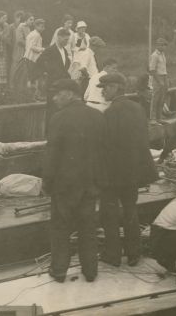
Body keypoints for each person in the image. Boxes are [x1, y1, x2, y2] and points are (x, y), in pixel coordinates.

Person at [42, 79, 106, 283]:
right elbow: (104, 152)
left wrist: (47, 182)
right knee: (88, 228)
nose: (54, 98)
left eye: (57, 93)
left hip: (65, 185)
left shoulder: (58, 118)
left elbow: (52, 154)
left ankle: (59, 270)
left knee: (60, 227)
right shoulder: (97, 116)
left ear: (70, 94)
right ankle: (91, 271)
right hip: (90, 183)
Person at [99, 72, 158, 267]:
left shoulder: (109, 113)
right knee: (131, 211)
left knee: (110, 214)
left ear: (116, 87)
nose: (103, 92)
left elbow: (106, 146)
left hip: (113, 174)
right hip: (133, 172)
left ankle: (113, 254)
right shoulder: (138, 108)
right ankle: (134, 254)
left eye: (106, 88)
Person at [35, 28, 71, 121]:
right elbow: (39, 63)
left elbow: (65, 67)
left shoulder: (65, 51)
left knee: (61, 111)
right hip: (53, 86)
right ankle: (48, 133)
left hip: (62, 86)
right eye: (65, 39)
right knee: (51, 111)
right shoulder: (50, 50)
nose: (67, 42)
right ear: (58, 37)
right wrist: (48, 72)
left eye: (68, 40)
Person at [10, 13, 34, 90]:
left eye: (33, 20)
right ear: (26, 20)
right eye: (30, 19)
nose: (32, 21)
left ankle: (21, 88)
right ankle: (11, 86)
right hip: (19, 51)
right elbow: (19, 40)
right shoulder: (21, 27)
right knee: (15, 68)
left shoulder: (28, 28)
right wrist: (29, 45)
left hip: (25, 52)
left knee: (23, 70)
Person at [23, 18, 46, 99]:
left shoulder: (32, 33)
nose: (43, 28)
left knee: (31, 77)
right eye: (41, 26)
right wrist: (42, 49)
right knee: (33, 77)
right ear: (36, 26)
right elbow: (32, 47)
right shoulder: (36, 35)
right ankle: (32, 96)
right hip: (31, 58)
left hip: (29, 58)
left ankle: (32, 96)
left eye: (44, 26)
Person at [149, 38, 169, 123]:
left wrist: (166, 79)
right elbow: (152, 70)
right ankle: (153, 118)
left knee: (162, 98)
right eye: (161, 45)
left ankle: (159, 117)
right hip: (158, 77)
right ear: (157, 45)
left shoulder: (162, 54)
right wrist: (159, 80)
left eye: (164, 45)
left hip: (164, 76)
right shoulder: (155, 55)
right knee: (156, 98)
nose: (163, 47)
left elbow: (164, 68)